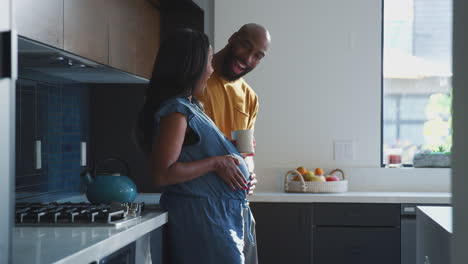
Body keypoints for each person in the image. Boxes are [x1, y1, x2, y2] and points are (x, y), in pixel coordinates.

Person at [137, 28, 254, 264]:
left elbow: (190, 152)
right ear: (192, 66)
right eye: (209, 62)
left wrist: (229, 153)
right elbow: (162, 174)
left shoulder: (190, 107)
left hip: (218, 217)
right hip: (204, 222)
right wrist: (216, 162)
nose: (211, 70)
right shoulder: (176, 111)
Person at [198, 23, 271, 263]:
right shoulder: (197, 80)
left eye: (257, 56)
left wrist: (249, 172)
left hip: (238, 206)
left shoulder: (250, 97)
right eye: (245, 46)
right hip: (202, 203)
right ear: (233, 38)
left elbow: (245, 151)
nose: (247, 59)